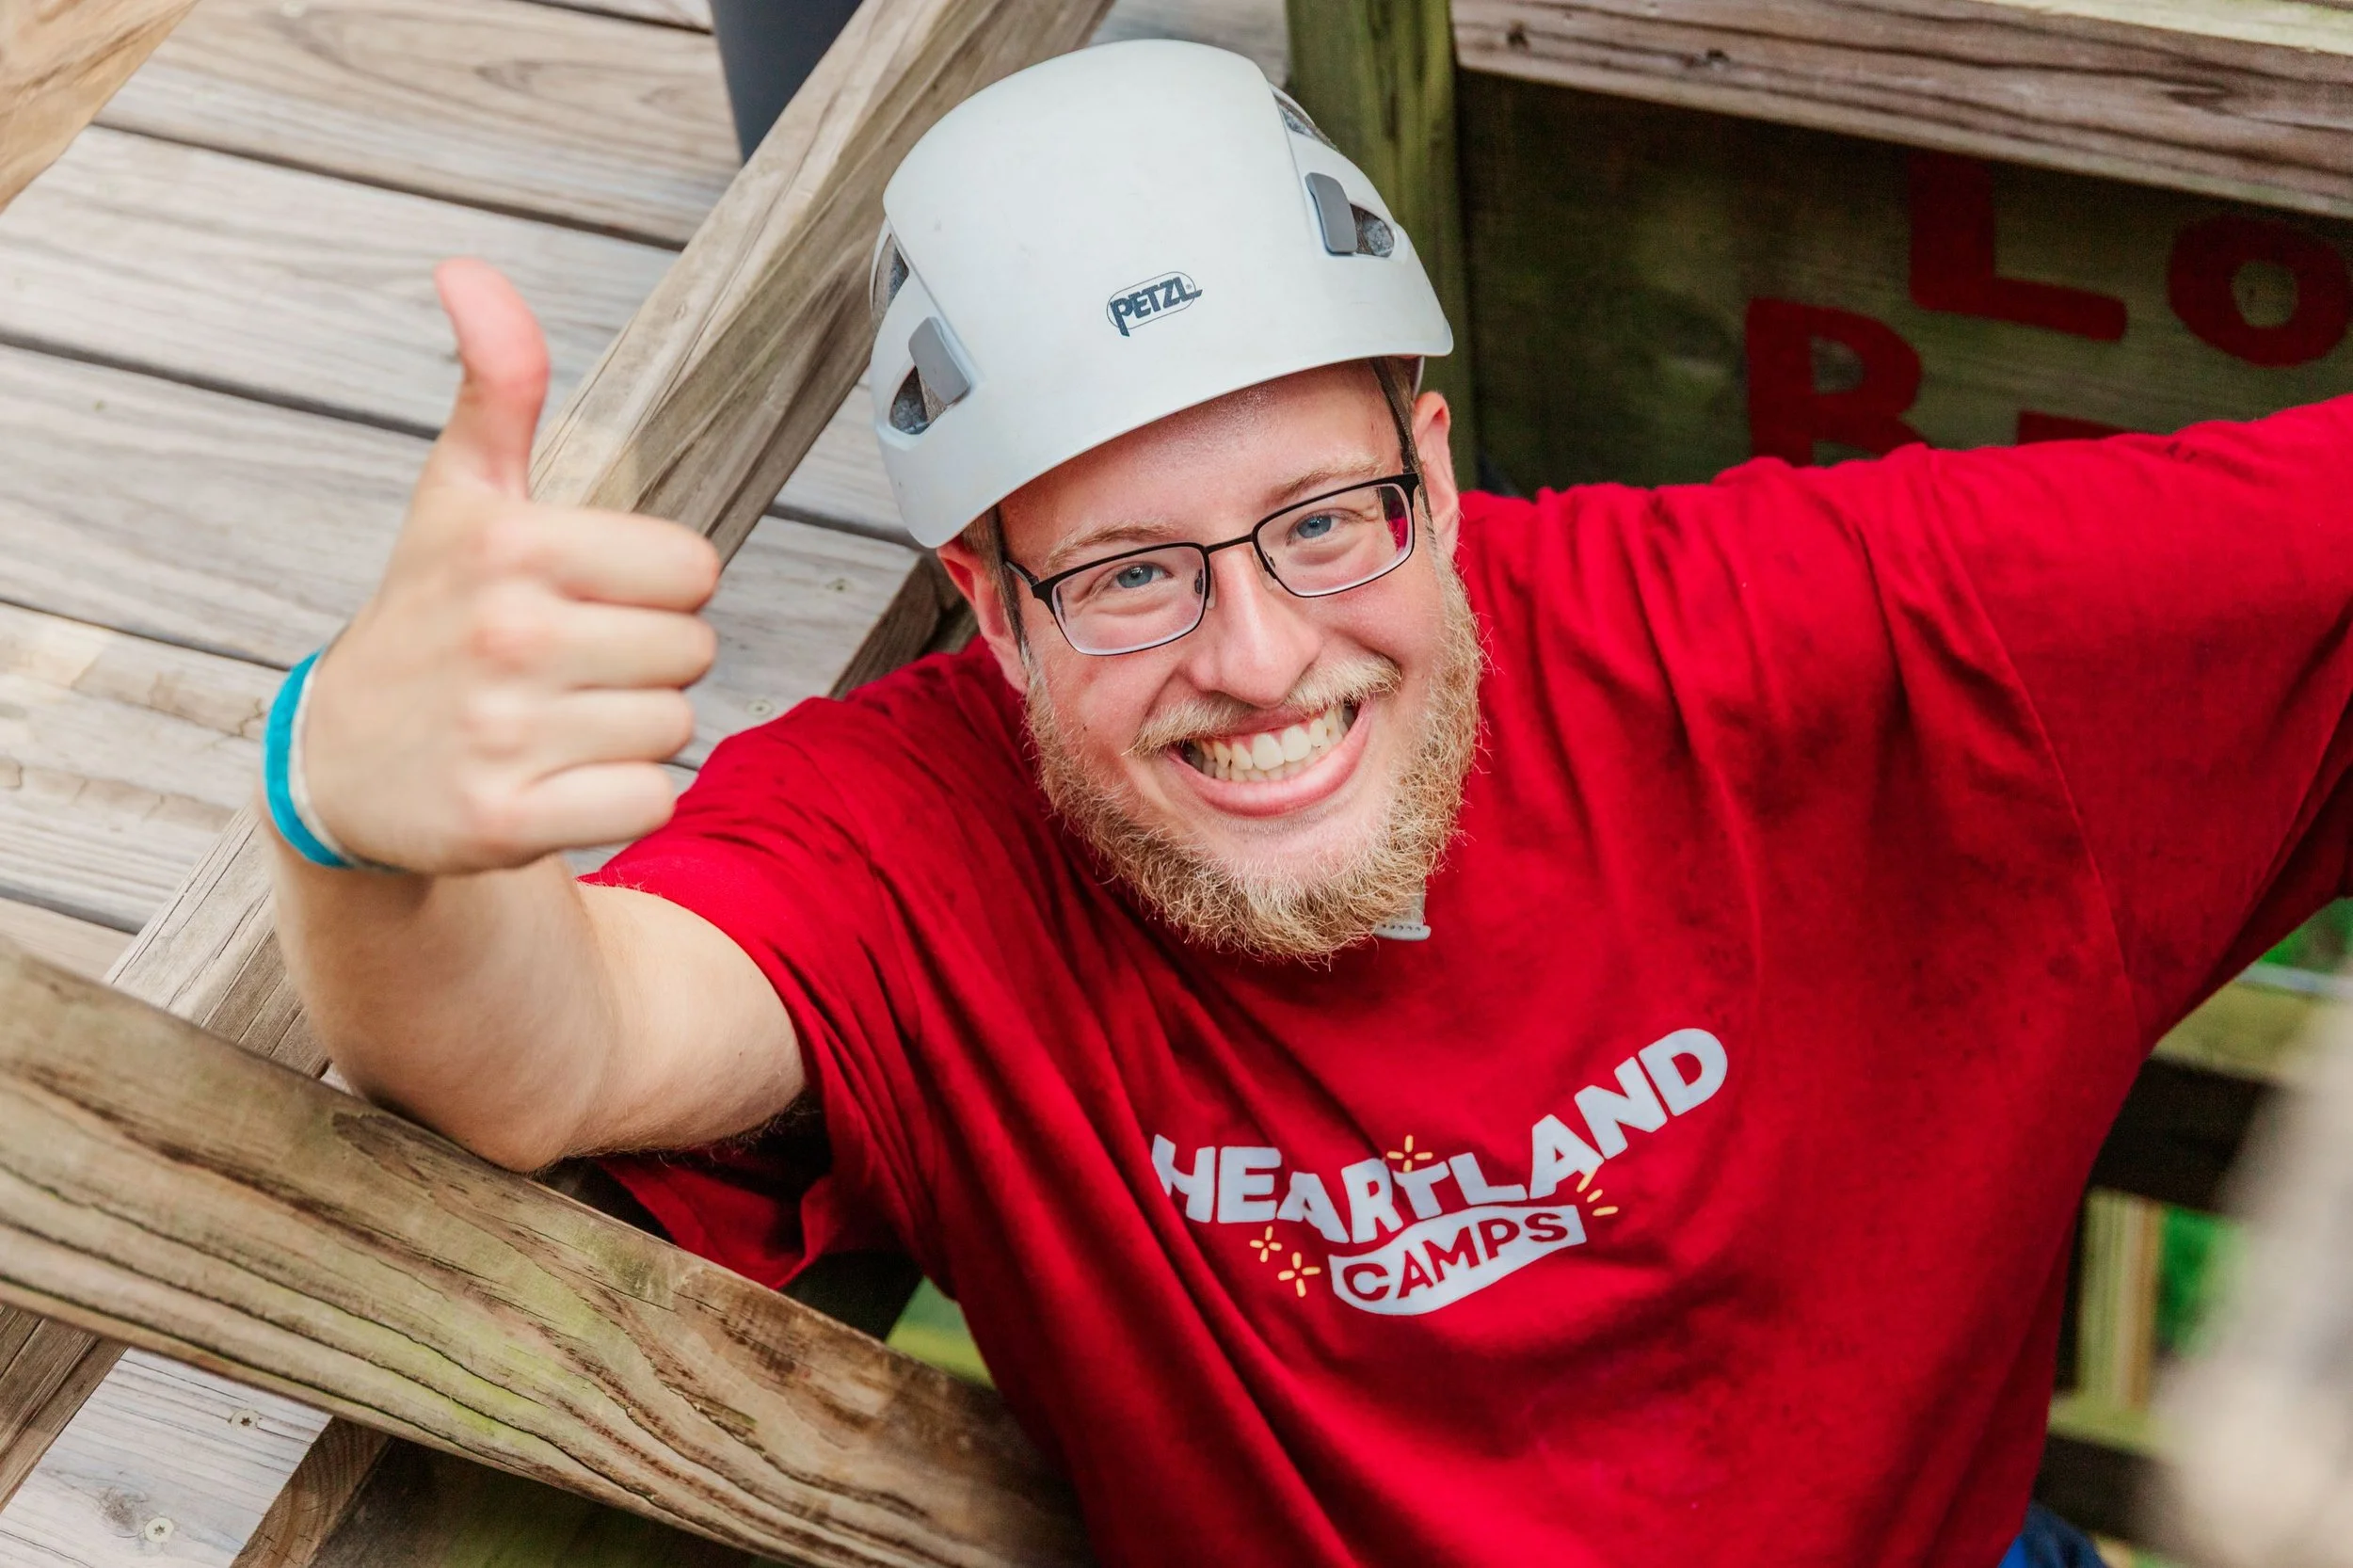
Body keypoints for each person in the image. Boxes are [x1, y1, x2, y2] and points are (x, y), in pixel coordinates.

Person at [262, 40, 2353, 1568]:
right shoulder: (920, 838)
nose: (1257, 658)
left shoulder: (1810, 640)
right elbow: (555, 1040)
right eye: (1128, 575)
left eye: (1325, 522)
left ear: (1435, 475)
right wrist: (357, 817)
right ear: (987, 610)